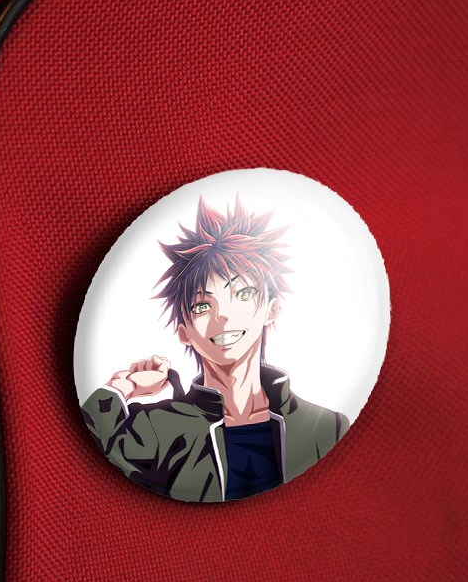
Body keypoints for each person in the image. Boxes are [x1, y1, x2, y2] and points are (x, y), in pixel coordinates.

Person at [80, 195, 349, 502]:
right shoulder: (156, 430)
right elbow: (94, 451)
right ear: (185, 333)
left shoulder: (325, 428)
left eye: (243, 294)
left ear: (271, 310)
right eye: (203, 305)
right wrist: (123, 387)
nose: (223, 316)